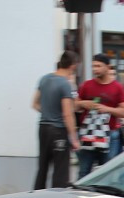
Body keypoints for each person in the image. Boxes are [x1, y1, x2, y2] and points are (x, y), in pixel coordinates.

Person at [75, 53, 124, 178]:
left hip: (110, 135)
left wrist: (107, 109)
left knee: (107, 174)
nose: (95, 69)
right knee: (83, 172)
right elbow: (75, 106)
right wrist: (83, 103)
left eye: (98, 66)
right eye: (93, 66)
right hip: (88, 135)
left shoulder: (117, 88)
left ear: (107, 67)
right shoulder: (86, 85)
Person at [33, 50, 80, 189]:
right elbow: (67, 113)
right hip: (58, 131)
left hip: (43, 128)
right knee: (60, 171)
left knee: (42, 168)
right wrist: (74, 138)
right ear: (73, 66)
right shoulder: (65, 84)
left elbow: (34, 104)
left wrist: (48, 111)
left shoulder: (44, 79)